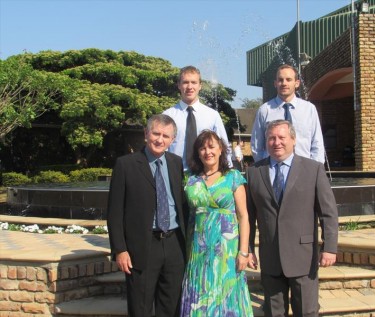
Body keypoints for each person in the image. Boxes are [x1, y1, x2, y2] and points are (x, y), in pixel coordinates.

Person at [246, 120, 338, 317]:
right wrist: (248, 250)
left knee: (306, 311)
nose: (276, 142)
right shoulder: (253, 172)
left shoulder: (313, 169)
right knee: (273, 312)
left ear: (293, 140)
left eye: (282, 137)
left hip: (303, 256)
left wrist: (329, 248)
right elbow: (248, 216)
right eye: (271, 138)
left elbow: (328, 212)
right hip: (270, 256)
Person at [107, 114, 188, 317]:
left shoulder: (176, 163)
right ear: (146, 134)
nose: (160, 139)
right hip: (142, 247)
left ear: (172, 140)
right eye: (156, 133)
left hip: (174, 244)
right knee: (140, 308)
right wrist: (120, 250)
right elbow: (114, 212)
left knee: (171, 306)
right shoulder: (125, 165)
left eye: (166, 136)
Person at [180, 130, 253, 316]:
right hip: (197, 251)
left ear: (221, 149)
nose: (207, 152)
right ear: (198, 153)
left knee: (226, 297)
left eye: (211, 147)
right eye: (202, 148)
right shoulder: (190, 179)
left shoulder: (233, 177)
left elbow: (243, 216)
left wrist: (244, 252)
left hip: (226, 252)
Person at [250, 64, 325, 164]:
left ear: (297, 83)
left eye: (288, 79)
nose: (284, 83)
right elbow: (256, 146)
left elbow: (317, 143)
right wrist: (264, 170)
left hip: (303, 169)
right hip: (273, 170)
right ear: (275, 83)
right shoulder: (264, 110)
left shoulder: (309, 109)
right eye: (280, 80)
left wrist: (314, 170)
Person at [163, 65, 232, 170]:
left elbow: (223, 146)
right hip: (175, 173)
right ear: (179, 85)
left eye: (194, 82)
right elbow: (163, 148)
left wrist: (227, 170)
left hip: (206, 175)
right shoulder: (168, 116)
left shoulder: (213, 115)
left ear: (200, 85)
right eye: (185, 82)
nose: (190, 87)